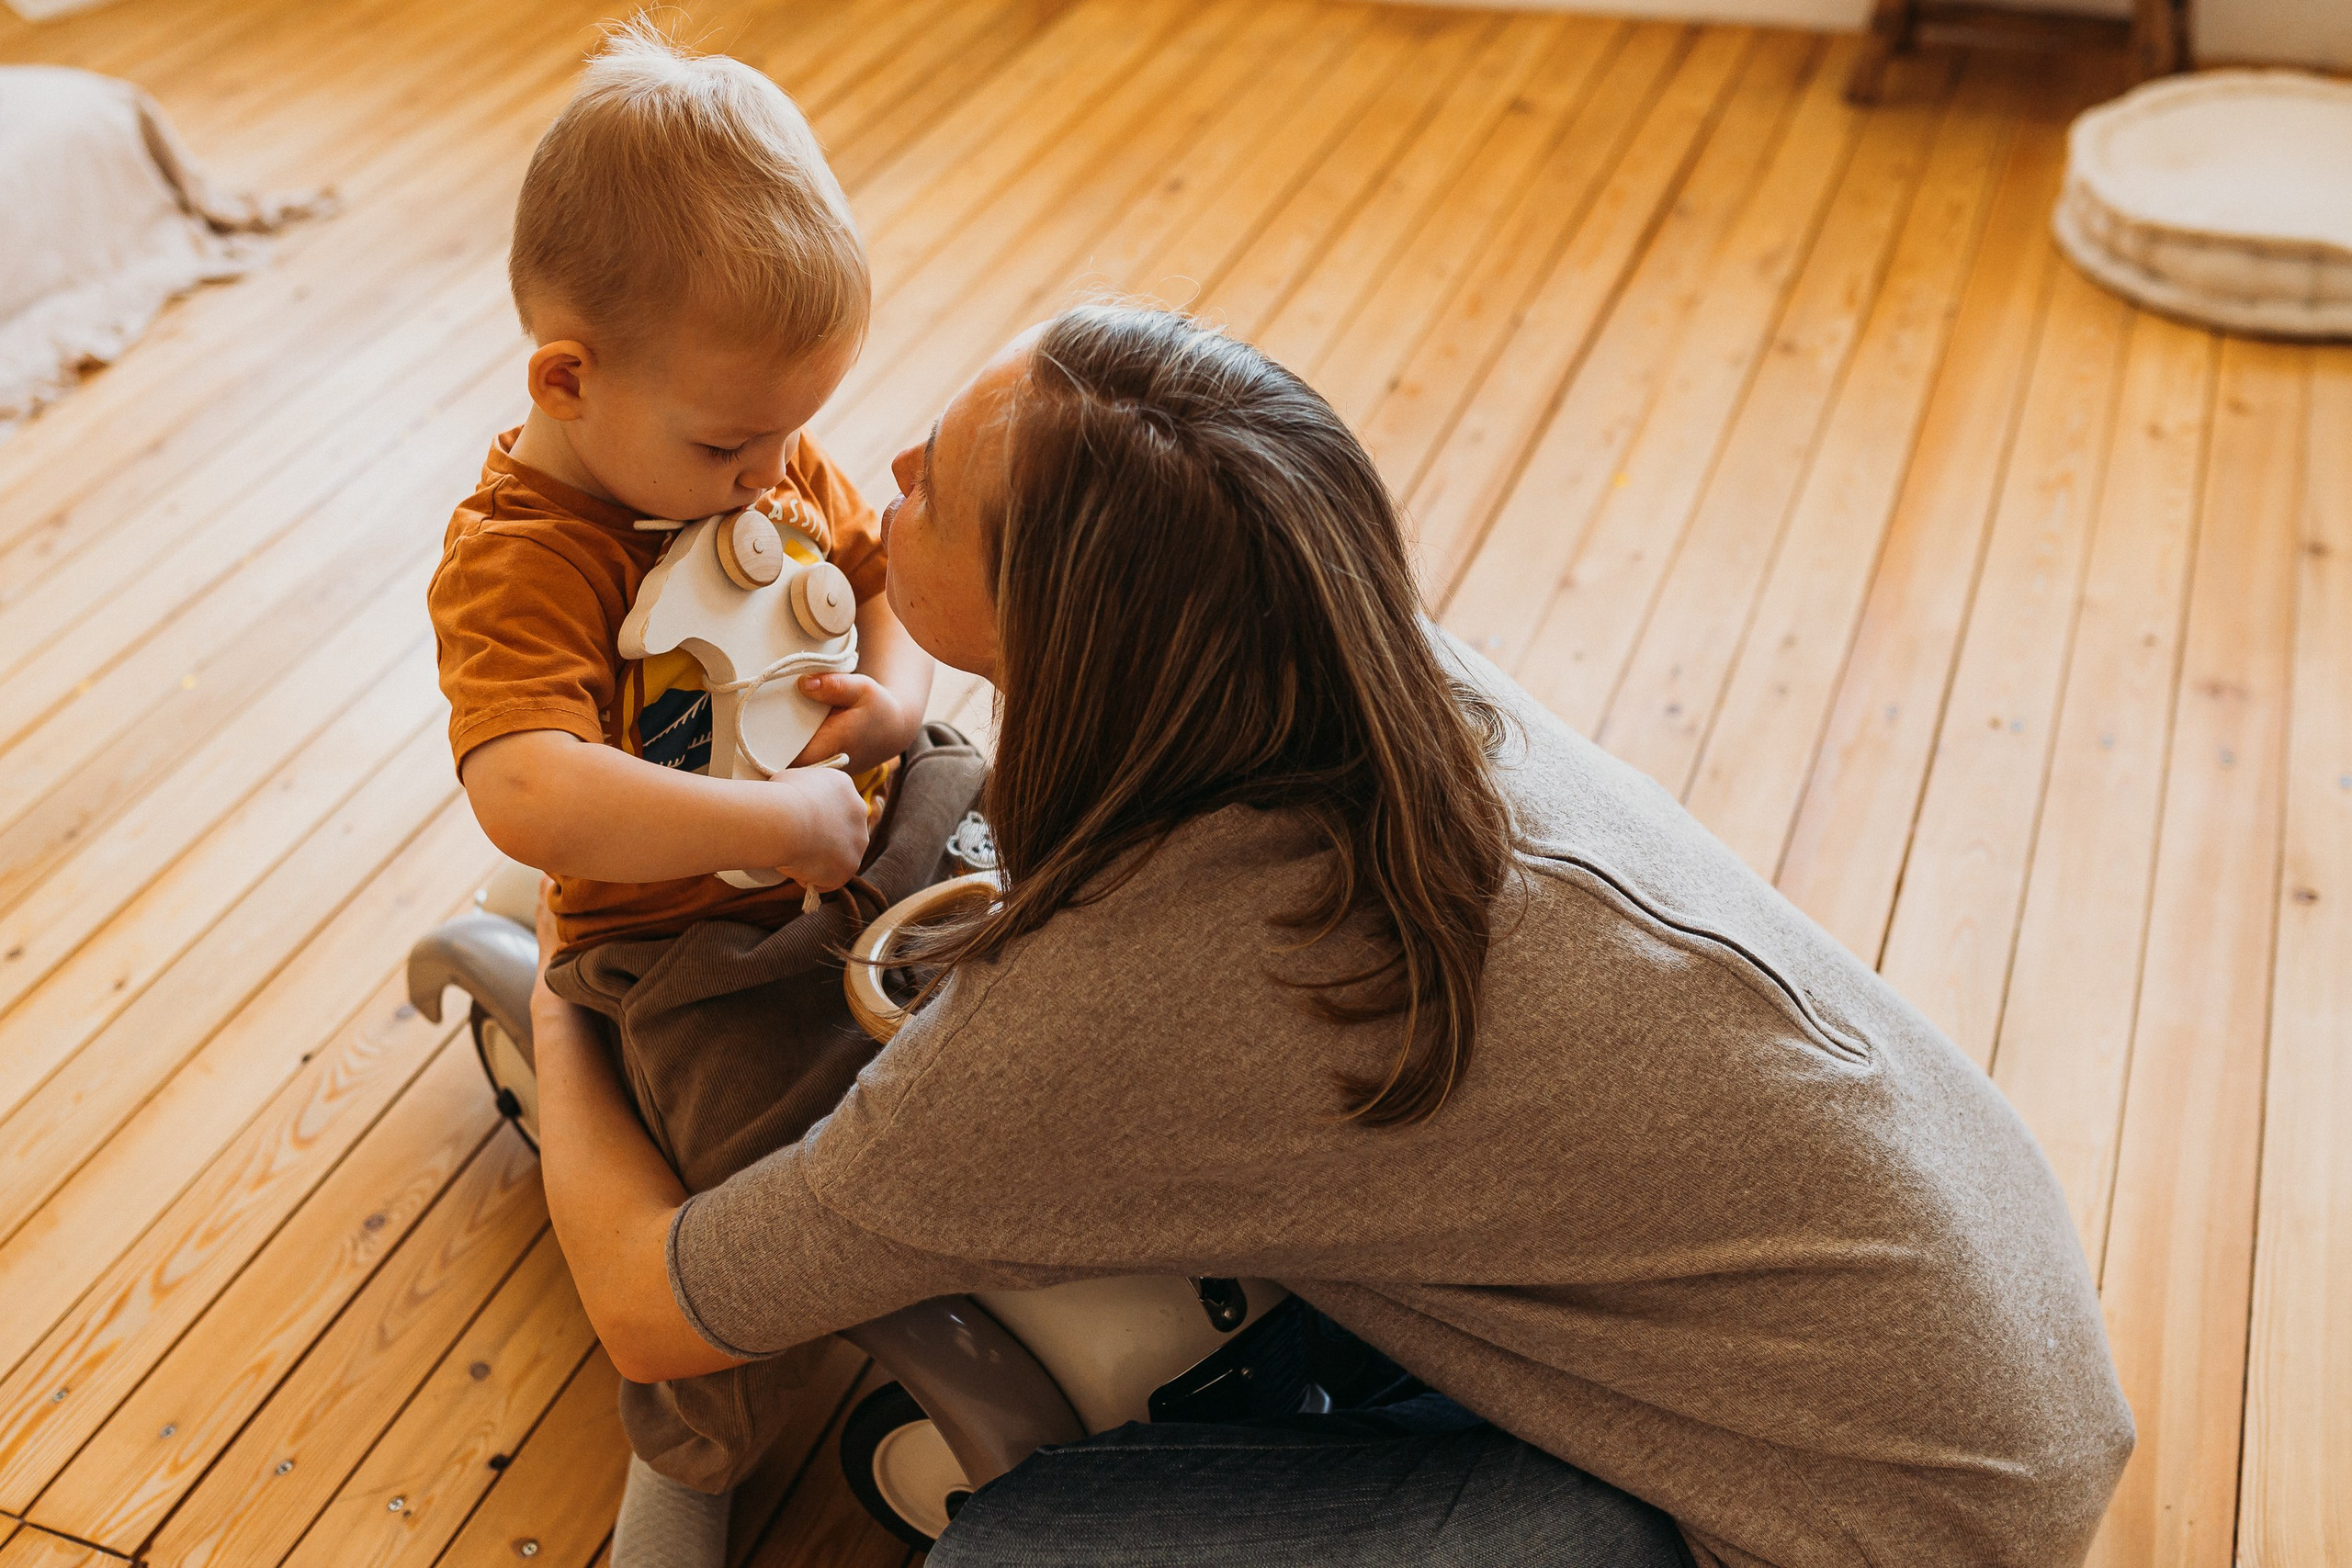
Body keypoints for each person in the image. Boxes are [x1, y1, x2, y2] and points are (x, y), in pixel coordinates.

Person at [528, 306, 2136, 1568]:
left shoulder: (1138, 999)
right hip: (1992, 1327)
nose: (886, 472)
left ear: (1065, 628)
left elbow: (657, 1302)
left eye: (934, 482)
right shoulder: (1353, 654)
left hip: (1878, 1531)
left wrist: (561, 990)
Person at [424, 24, 933, 1566]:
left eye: (791, 430)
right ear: (566, 379)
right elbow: (529, 791)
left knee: (1023, 830)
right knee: (716, 1186)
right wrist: (768, 829)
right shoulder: (525, 558)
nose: (773, 472)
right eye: (732, 441)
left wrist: (897, 698)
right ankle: (695, 1459)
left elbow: (882, 571)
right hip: (669, 939)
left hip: (855, 815)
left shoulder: (755, 451)